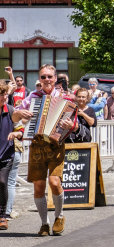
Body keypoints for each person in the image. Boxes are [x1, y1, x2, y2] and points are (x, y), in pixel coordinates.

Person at [17, 64, 79, 236]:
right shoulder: (33, 97)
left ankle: (59, 216)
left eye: (49, 77)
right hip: (37, 144)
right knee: (38, 186)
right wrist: (22, 115)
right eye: (43, 77)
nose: (46, 80)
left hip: (55, 144)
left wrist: (70, 126)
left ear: (55, 78)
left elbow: (75, 123)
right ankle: (44, 223)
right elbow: (18, 116)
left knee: (54, 182)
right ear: (40, 79)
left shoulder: (66, 98)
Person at [0, 80, 31, 230]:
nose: (4, 97)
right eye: (1, 94)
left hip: (6, 155)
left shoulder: (11, 110)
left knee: (2, 182)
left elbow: (21, 130)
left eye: (6, 93)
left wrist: (16, 133)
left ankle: (2, 216)